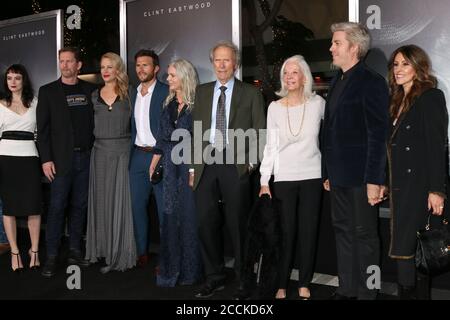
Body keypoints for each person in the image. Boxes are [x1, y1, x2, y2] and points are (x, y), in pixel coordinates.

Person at [191, 40, 266, 299]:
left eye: (227, 60)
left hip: (236, 163)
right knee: (205, 222)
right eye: (217, 60)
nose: (222, 65)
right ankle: (215, 276)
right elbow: (195, 131)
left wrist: (250, 163)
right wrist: (193, 167)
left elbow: (259, 131)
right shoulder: (201, 92)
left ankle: (244, 279)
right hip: (205, 163)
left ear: (235, 64)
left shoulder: (251, 93)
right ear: (212, 63)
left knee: (238, 224)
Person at [321, 22, 389, 300]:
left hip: (362, 177)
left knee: (366, 237)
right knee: (342, 232)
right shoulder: (337, 80)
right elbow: (329, 133)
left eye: (337, 43)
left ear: (354, 47)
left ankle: (368, 293)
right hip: (337, 177)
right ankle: (347, 288)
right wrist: (327, 172)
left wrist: (375, 179)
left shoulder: (371, 81)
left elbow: (377, 134)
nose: (331, 47)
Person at [259, 55, 325, 300]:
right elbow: (270, 146)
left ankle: (304, 282)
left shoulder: (318, 103)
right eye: (285, 73)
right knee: (284, 233)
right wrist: (265, 180)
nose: (289, 77)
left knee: (308, 231)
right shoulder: (274, 107)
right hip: (284, 177)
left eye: (294, 72)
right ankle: (281, 283)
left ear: (304, 76)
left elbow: (330, 138)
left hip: (312, 176)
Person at [387, 45, 448, 299]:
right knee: (405, 249)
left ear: (418, 67)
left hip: (420, 187)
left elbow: (436, 147)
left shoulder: (430, 96)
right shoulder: (397, 100)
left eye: (405, 64)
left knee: (415, 250)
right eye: (396, 64)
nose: (398, 69)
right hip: (401, 187)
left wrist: (436, 190)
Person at [37, 47, 96, 277]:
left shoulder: (91, 90)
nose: (65, 65)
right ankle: (51, 255)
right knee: (57, 207)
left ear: (79, 65)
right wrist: (46, 159)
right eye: (62, 61)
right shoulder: (48, 91)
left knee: (80, 206)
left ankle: (74, 249)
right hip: (60, 160)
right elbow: (42, 130)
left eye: (70, 61)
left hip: (86, 157)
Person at [149, 58, 202, 287]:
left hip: (188, 165)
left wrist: (193, 170)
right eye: (168, 75)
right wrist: (154, 162)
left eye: (172, 75)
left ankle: (191, 272)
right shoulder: (168, 104)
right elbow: (161, 138)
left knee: (189, 219)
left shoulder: (197, 105)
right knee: (170, 218)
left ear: (184, 77)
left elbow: (201, 140)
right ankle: (171, 269)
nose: (168, 79)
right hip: (170, 169)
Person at [85, 52, 136, 273]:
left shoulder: (130, 93)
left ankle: (120, 251)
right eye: (102, 67)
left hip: (123, 152)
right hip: (99, 153)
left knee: (120, 202)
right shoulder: (93, 95)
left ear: (118, 70)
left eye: (110, 67)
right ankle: (101, 249)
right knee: (101, 201)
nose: (105, 71)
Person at [0, 64, 42, 271]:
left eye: (17, 78)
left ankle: (34, 250)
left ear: (24, 80)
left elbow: (41, 132)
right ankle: (15, 252)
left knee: (34, 206)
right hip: (6, 159)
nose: (13, 82)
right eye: (9, 78)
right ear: (6, 81)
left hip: (29, 159)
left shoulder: (35, 103)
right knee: (9, 208)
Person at [130, 49, 168, 267]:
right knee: (137, 207)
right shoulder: (132, 93)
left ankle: (166, 257)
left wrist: (160, 153)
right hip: (137, 157)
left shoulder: (165, 91)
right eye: (138, 65)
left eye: (146, 65)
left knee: (164, 210)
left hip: (159, 156)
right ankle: (141, 252)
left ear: (156, 69)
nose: (141, 69)